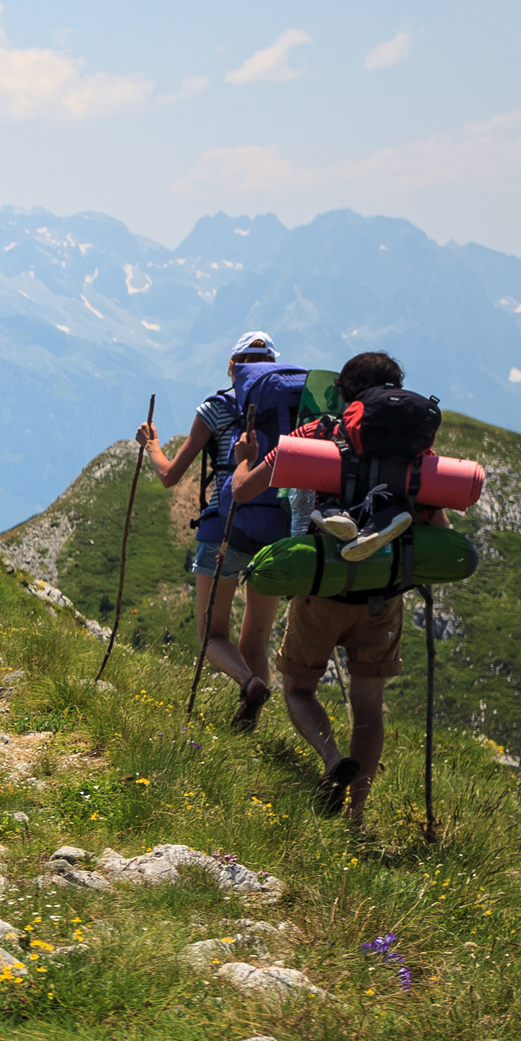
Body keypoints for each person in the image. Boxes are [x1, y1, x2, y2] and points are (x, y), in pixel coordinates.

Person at [228, 350, 413, 826]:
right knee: (369, 704)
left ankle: (332, 761)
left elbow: (245, 490)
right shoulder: (413, 451)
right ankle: (357, 817)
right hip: (383, 592)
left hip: (323, 586)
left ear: (342, 392)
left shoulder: (316, 434)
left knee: (298, 689)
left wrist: (243, 459)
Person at [135, 330, 293, 730]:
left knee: (212, 636)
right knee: (254, 638)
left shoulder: (217, 407)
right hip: (276, 529)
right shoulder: (289, 412)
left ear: (232, 367)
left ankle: (250, 683)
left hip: (225, 526)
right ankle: (246, 731)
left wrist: (152, 445)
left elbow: (171, 476)